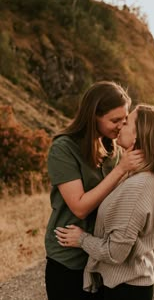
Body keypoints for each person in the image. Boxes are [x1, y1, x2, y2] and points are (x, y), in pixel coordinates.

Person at [55, 104, 154, 300]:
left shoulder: (138, 186)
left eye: (127, 122)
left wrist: (81, 239)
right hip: (126, 285)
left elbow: (115, 253)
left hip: (126, 290)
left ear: (138, 136)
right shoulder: (135, 175)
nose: (121, 125)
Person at [45, 81, 144, 300]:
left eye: (124, 119)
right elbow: (79, 207)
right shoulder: (63, 148)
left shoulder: (112, 148)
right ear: (93, 117)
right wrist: (121, 170)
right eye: (114, 120)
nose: (121, 125)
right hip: (69, 257)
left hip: (101, 255)